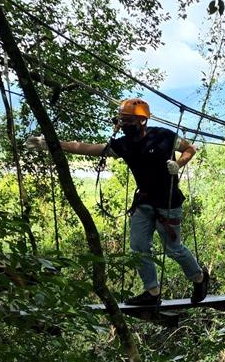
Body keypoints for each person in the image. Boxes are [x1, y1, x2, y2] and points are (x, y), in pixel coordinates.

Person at [26, 98, 208, 307]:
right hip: (144, 203)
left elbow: (189, 149)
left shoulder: (164, 136)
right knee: (139, 248)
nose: (123, 125)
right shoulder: (124, 144)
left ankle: (199, 278)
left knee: (173, 249)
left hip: (168, 203)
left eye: (128, 121)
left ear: (142, 120)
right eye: (121, 120)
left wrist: (178, 163)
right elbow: (87, 148)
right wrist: (51, 144)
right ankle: (152, 292)